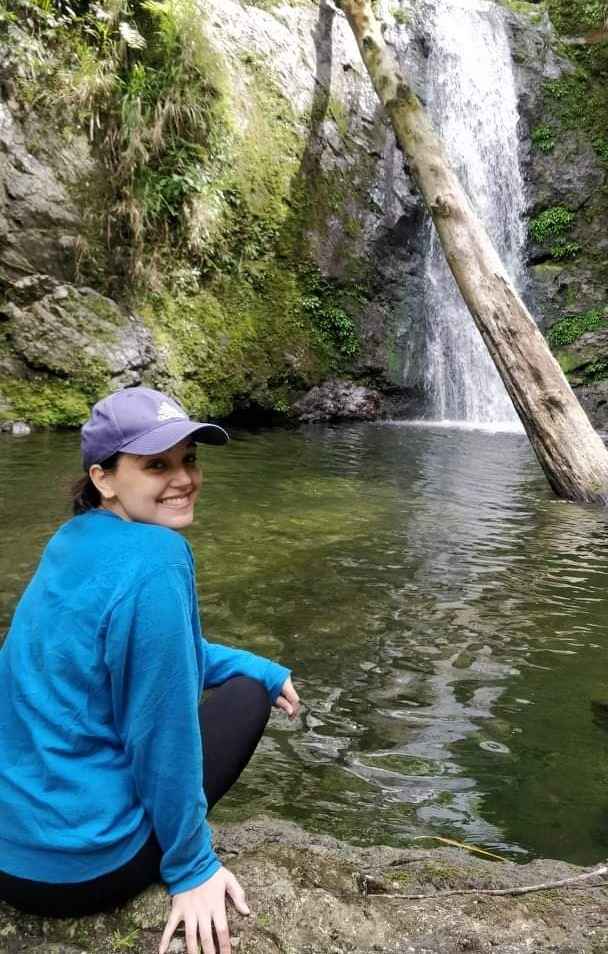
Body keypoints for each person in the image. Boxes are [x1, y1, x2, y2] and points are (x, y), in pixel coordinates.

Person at [0, 386, 300, 954]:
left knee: (248, 680)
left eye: (190, 459)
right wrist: (192, 868)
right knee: (245, 700)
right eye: (157, 464)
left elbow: (137, 655)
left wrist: (255, 663)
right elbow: (161, 729)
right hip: (82, 871)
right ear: (104, 478)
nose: (183, 478)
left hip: (11, 855)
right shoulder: (158, 559)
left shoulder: (72, 539)